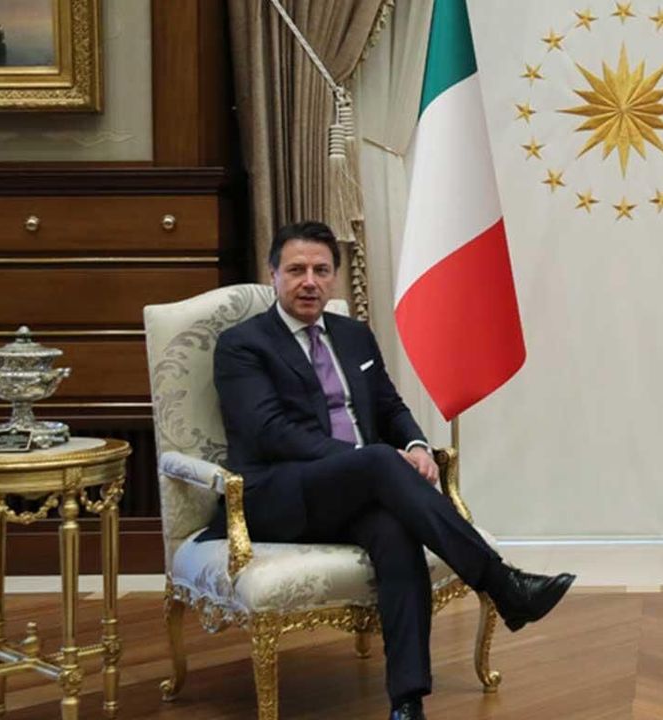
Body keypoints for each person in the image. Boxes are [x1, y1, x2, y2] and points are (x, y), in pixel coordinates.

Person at [206, 221, 575, 720]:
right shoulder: (242, 344)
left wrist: (417, 444)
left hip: (359, 490)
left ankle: (407, 701)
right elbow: (271, 433)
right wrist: (368, 462)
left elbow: (389, 406)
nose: (309, 281)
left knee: (395, 532)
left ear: (335, 277)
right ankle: (501, 583)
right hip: (279, 495)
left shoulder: (354, 336)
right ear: (272, 274)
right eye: (296, 270)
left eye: (321, 270)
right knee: (379, 459)